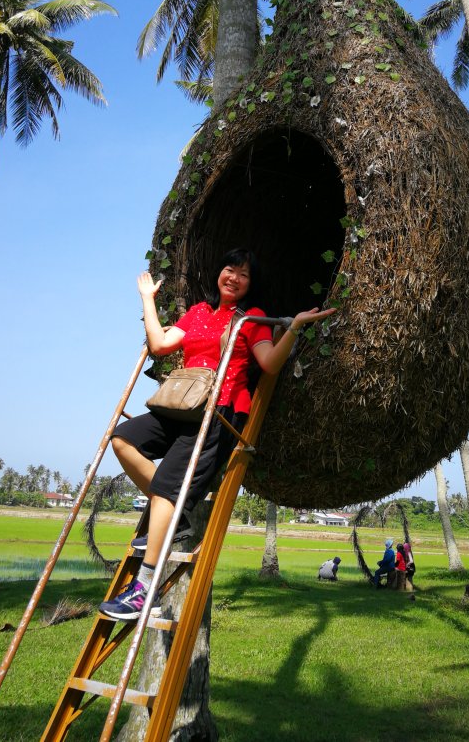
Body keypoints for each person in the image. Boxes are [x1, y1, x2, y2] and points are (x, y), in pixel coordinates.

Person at [98, 248, 334, 621]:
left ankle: (145, 590)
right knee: (122, 438)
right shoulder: (197, 314)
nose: (235, 278)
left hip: (220, 412)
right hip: (181, 403)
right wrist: (147, 300)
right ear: (218, 273)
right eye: (230, 269)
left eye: (244, 274)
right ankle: (178, 518)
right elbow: (160, 345)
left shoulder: (251, 318)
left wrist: (293, 327)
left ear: (250, 285)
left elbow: (269, 364)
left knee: (166, 490)